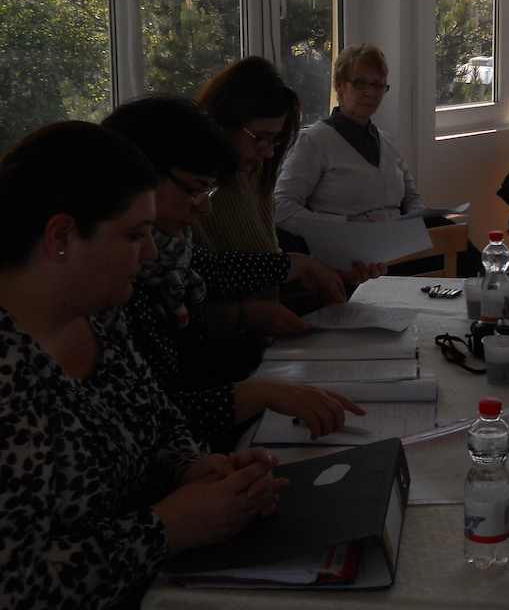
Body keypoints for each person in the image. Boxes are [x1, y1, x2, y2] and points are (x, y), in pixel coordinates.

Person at [0, 121, 287, 609]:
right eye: (135, 235)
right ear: (61, 235)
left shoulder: (99, 314)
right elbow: (16, 589)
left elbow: (159, 422)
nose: (151, 250)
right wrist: (169, 528)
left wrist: (195, 468)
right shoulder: (11, 374)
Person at [102, 96, 365, 452]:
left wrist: (298, 265)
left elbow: (211, 268)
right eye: (195, 189)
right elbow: (138, 424)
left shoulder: (169, 251)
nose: (205, 206)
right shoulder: (116, 286)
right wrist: (257, 393)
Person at [194, 56, 384, 376]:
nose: (269, 151)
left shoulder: (253, 174)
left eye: (276, 139)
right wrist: (242, 314)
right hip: (218, 365)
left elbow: (259, 271)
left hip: (262, 351)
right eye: (260, 137)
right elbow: (193, 295)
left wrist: (323, 273)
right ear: (222, 123)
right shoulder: (192, 196)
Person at [274, 43, 478, 275]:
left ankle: (488, 285)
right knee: (455, 257)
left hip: (397, 243)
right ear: (339, 86)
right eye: (360, 83)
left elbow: (411, 197)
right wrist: (346, 224)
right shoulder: (314, 141)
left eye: (378, 85)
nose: (370, 93)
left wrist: (416, 222)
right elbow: (281, 207)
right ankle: (490, 285)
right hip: (352, 251)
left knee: (448, 233)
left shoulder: (387, 142)